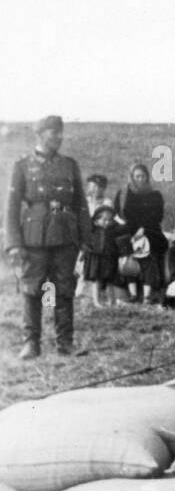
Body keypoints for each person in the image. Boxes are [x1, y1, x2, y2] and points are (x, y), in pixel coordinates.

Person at [4, 115, 91, 358]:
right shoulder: (23, 165)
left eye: (61, 133)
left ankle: (66, 343)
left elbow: (80, 203)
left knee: (63, 288)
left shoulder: (69, 165)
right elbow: (11, 207)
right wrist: (13, 243)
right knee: (33, 288)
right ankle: (31, 342)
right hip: (34, 237)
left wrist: (85, 238)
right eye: (54, 133)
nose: (59, 138)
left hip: (65, 235)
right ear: (40, 134)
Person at [114, 162, 168, 304]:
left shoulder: (155, 195)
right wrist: (132, 229)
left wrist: (144, 228)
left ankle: (148, 293)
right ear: (131, 177)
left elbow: (158, 215)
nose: (140, 179)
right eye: (137, 176)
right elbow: (118, 213)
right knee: (123, 247)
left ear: (147, 177)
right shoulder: (124, 193)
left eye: (142, 176)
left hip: (150, 229)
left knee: (148, 251)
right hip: (129, 229)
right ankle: (128, 291)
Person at [84, 204, 127, 307]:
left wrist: (117, 218)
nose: (107, 222)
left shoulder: (114, 230)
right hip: (96, 257)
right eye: (104, 220)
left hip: (110, 257)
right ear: (96, 220)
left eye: (110, 220)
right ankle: (97, 301)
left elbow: (125, 227)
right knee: (97, 280)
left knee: (110, 281)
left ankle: (112, 301)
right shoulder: (93, 229)